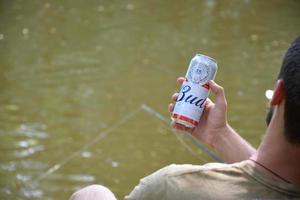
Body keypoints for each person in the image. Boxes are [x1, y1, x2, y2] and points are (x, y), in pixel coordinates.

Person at [70, 37, 300, 200]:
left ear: (278, 94)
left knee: (92, 193)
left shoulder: (173, 187)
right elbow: (275, 182)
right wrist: (219, 135)